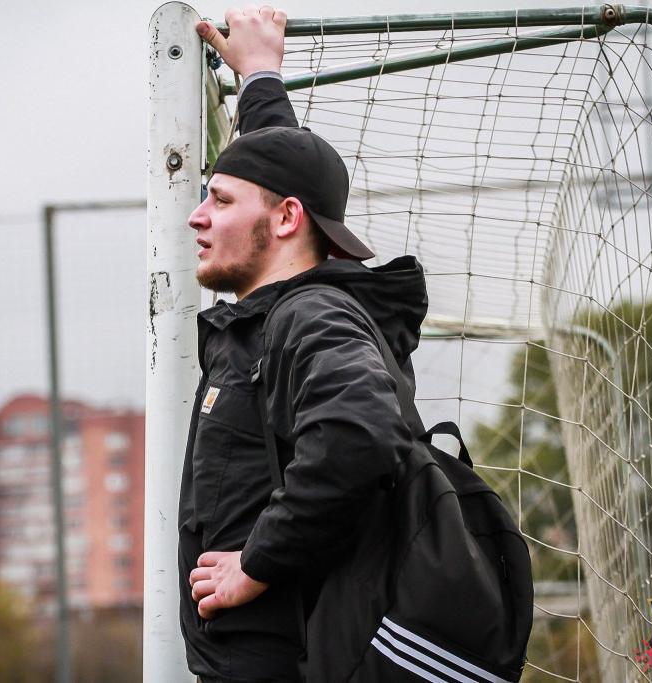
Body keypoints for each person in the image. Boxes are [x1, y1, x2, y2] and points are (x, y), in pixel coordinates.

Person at [178, 7, 429, 682]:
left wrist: (257, 563)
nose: (197, 216)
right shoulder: (284, 312)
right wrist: (260, 77)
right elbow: (278, 175)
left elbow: (359, 433)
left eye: (219, 201)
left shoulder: (311, 316)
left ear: (288, 219)